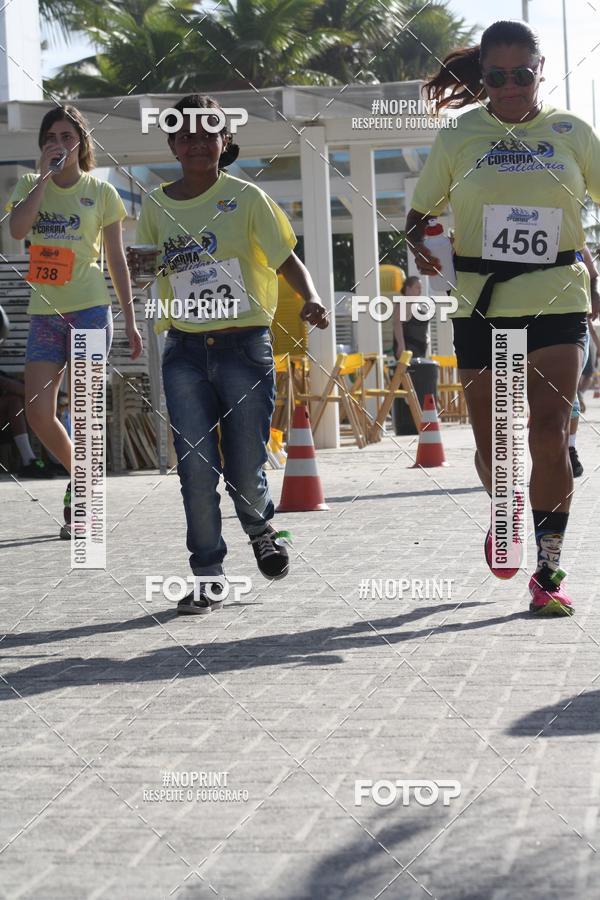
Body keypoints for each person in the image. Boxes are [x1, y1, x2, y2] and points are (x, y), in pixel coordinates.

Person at [405, 20, 600, 616]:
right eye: (497, 76)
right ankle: (506, 509)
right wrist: (427, 243)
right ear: (482, 77)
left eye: (523, 74)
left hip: (556, 299)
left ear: (540, 70)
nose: (511, 87)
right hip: (480, 304)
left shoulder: (571, 131)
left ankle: (547, 569)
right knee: (497, 445)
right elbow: (419, 217)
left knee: (548, 433)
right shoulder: (460, 134)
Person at [129, 94, 328, 616]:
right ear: (172, 144)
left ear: (225, 142)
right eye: (185, 134)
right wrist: (138, 271)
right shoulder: (154, 205)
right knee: (194, 467)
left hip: (244, 346)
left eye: (207, 132)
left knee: (244, 465)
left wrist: (311, 298)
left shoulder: (248, 198)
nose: (196, 142)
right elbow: (147, 269)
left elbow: (287, 259)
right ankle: (209, 574)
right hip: (185, 351)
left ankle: (260, 527)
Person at [6, 105, 143, 537]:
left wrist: (132, 319)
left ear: (81, 144)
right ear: (43, 145)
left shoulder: (101, 193)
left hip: (88, 309)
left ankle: (83, 499)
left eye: (68, 137)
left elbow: (117, 259)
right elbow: (16, 231)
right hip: (44, 313)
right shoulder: (30, 185)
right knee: (39, 413)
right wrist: (43, 180)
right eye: (52, 138)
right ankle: (85, 477)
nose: (60, 145)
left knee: (83, 411)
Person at [568, 246, 599, 476]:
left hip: (573, 323)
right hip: (525, 319)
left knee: (568, 395)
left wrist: (595, 295)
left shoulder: (576, 238)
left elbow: (593, 273)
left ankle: (570, 448)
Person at [392, 275, 429, 359]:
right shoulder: (404, 303)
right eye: (417, 288)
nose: (420, 291)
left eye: (421, 288)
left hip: (419, 351)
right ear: (408, 289)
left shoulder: (415, 304)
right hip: (408, 350)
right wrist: (401, 345)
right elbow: (397, 324)